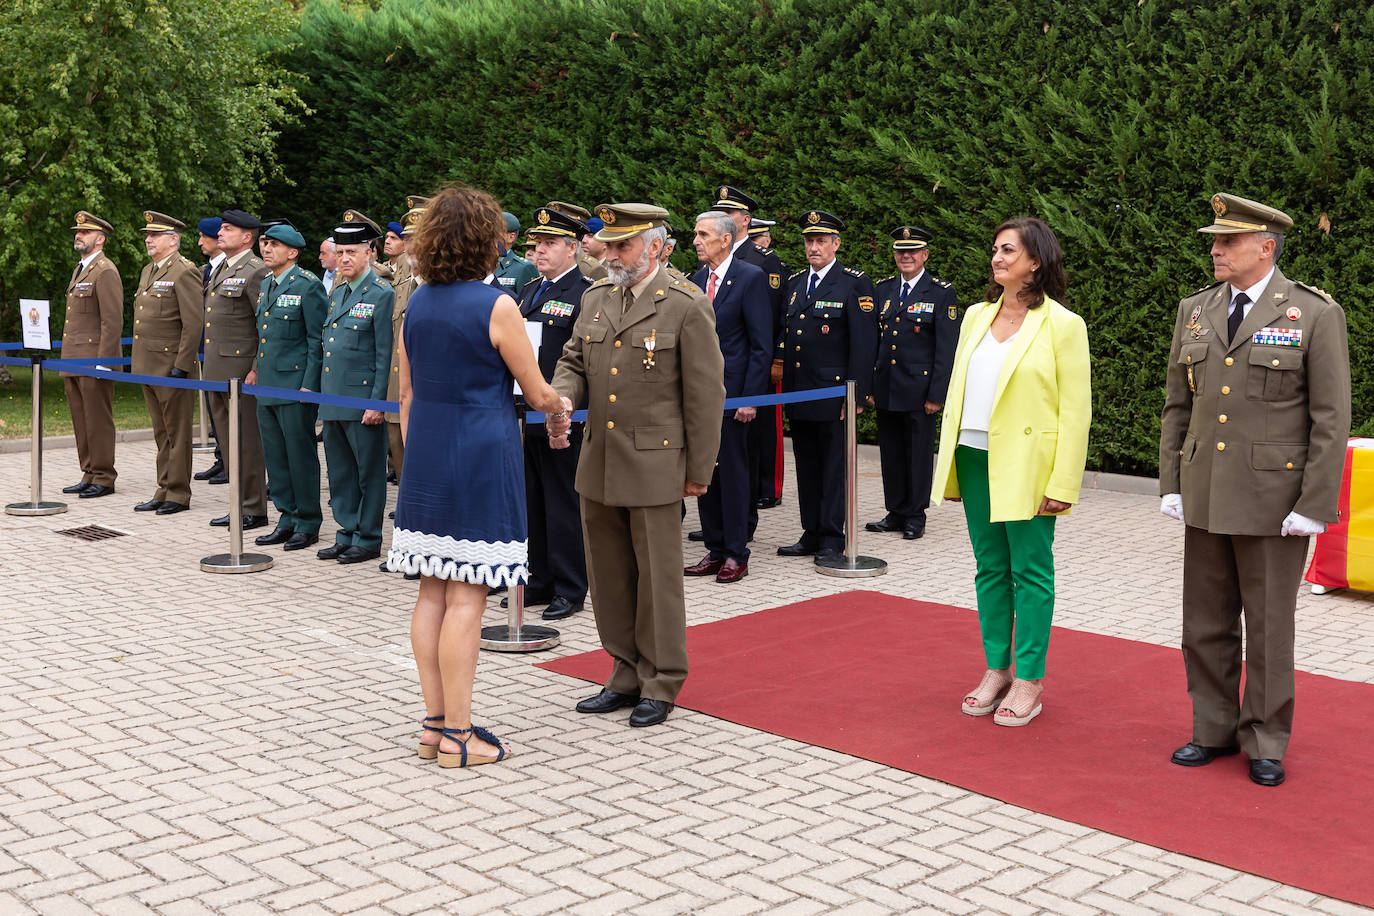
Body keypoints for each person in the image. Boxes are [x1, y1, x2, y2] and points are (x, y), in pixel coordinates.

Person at [1159, 193, 1350, 787]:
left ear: (1266, 247)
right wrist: (1172, 482)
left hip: (1275, 503)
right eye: (1215, 241)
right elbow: (1177, 407)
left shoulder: (1313, 314)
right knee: (1206, 621)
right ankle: (1212, 727)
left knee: (1268, 625)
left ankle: (1266, 737)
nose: (1215, 250)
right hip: (1208, 493)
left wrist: (1315, 505)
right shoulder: (1196, 309)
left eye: (1228, 241)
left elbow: (1330, 417)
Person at [386, 184, 564, 767]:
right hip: (483, 453)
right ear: (486, 242)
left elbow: (407, 395)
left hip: (427, 456)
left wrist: (422, 455)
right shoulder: (498, 305)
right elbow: (536, 393)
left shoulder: (417, 304)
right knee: (468, 597)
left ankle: (434, 725)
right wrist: (560, 406)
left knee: (431, 590)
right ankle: (461, 736)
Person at [546, 203, 725, 727]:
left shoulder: (687, 305)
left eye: (623, 245)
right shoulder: (597, 297)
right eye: (609, 244)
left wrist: (700, 469)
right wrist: (560, 398)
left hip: (656, 464)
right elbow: (574, 361)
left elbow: (704, 396)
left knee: (658, 578)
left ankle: (662, 679)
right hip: (600, 461)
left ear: (656, 248)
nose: (610, 253)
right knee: (609, 576)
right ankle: (624, 671)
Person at [930, 217, 1090, 727]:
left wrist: (1062, 483)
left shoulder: (1064, 325)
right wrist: (951, 467)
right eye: (995, 250)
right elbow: (959, 395)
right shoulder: (976, 315)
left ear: (1035, 261)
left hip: (1029, 468)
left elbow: (1075, 411)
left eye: (1008, 251)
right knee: (990, 569)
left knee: (1031, 573)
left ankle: (1029, 679)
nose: (997, 258)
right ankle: (996, 669)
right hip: (975, 459)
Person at [775, 209, 877, 560]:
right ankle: (812, 532)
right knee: (807, 465)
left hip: (834, 394)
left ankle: (833, 536)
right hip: (801, 390)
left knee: (834, 468)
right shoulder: (795, 282)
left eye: (821, 241)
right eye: (809, 241)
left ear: (836, 243)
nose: (814, 247)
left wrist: (857, 391)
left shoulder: (854, 283)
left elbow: (864, 343)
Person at [684, 210, 772, 583]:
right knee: (705, 472)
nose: (696, 241)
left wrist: (750, 397)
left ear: (725, 239)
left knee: (733, 474)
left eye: (703, 235)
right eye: (695, 234)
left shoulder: (750, 278)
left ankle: (737, 552)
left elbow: (760, 344)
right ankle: (715, 547)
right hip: (698, 398)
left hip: (734, 396)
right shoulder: (695, 280)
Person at [514, 205, 593, 619]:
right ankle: (539, 578)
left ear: (573, 248)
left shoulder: (586, 292)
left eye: (549, 244)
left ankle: (570, 586)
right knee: (532, 499)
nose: (540, 251)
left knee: (564, 502)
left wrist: (568, 408)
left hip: (564, 416)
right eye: (537, 244)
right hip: (527, 414)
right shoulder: (530, 291)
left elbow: (584, 363)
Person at [866, 226, 959, 539]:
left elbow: (946, 348)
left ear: (925, 255)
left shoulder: (940, 292)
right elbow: (874, 341)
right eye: (901, 251)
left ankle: (915, 515)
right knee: (891, 452)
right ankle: (895, 510)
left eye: (913, 251)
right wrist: (869, 386)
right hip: (887, 386)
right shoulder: (883, 289)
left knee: (917, 454)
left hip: (920, 392)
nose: (906, 257)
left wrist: (937, 394)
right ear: (894, 255)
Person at [316, 219, 394, 564]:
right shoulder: (338, 292)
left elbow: (384, 353)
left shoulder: (381, 293)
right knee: (340, 472)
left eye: (352, 252)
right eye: (341, 252)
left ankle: (368, 537)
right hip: (334, 397)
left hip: (362, 400)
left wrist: (376, 402)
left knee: (368, 473)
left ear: (369, 253)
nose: (344, 258)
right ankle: (345, 532)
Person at [247, 222, 328, 552]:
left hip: (294, 387)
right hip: (269, 385)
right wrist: (255, 371)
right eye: (265, 244)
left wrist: (309, 385)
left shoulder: (307, 286)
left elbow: (316, 340)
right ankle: (286, 516)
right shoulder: (267, 283)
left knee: (299, 455)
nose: (266, 249)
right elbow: (264, 338)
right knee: (276, 456)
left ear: (292, 252)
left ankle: (307, 522)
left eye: (274, 245)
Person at [711, 186, 789, 518]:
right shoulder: (711, 261)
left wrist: (775, 360)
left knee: (750, 445)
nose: (721, 220)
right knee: (716, 449)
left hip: (749, 370)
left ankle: (745, 515)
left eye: (727, 214)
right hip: (715, 374)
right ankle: (721, 516)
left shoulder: (763, 261)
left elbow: (773, 318)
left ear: (744, 221)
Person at [204, 209, 272, 529]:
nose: (220, 233)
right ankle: (238, 504)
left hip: (240, 371)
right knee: (228, 443)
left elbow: (265, 325)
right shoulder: (223, 268)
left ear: (247, 237)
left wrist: (257, 366)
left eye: (228, 229)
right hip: (218, 369)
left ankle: (253, 508)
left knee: (245, 442)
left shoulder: (255, 270)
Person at [130, 211, 201, 516]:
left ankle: (178, 492)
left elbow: (194, 322)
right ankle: (163, 487)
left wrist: (182, 364)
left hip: (171, 366)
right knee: (161, 433)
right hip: (147, 364)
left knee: (178, 432)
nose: (148, 240)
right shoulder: (149, 270)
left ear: (173, 240)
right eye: (148, 235)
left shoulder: (184, 271)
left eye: (155, 235)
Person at [59, 211, 124, 499]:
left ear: (100, 239)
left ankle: (104, 476)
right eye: (77, 231)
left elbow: (112, 320)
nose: (78, 235)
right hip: (73, 357)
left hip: (94, 359)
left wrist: (105, 362)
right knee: (80, 419)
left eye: (84, 233)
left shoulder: (105, 270)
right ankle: (88, 472)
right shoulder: (80, 269)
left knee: (97, 419)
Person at [382, 195, 427, 507]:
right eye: (407, 238)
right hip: (398, 386)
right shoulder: (401, 282)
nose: (410, 246)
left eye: (417, 239)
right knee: (397, 451)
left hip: (426, 390)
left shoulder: (440, 286)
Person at [547, 201, 609, 281]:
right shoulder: (547, 263)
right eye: (539, 242)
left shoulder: (593, 269)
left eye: (590, 236)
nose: (584, 240)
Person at [494, 211, 539, 296]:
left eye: (495, 233)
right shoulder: (483, 265)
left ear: (511, 237)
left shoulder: (523, 268)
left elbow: (526, 306)